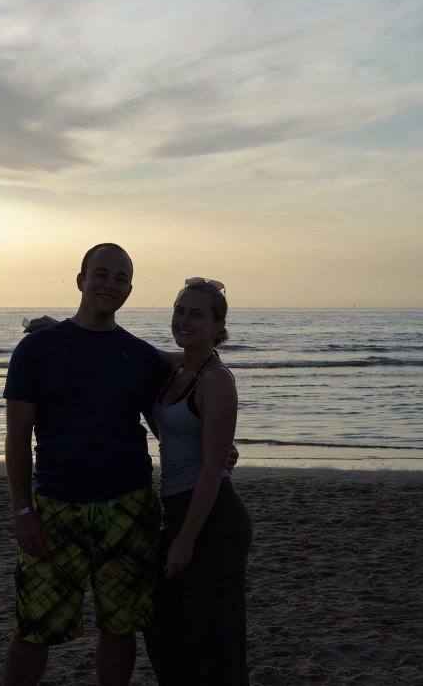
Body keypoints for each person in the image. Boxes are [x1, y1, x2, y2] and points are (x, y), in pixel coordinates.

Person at [2, 243, 169, 686]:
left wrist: (216, 449)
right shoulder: (37, 349)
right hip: (56, 507)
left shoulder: (141, 356)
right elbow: (17, 438)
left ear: (129, 289)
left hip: (129, 507)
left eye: (120, 278)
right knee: (34, 627)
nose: (110, 284)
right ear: (81, 280)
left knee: (120, 625)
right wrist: (22, 510)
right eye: (101, 274)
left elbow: (167, 425)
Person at [146, 277, 252, 685]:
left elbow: (212, 466)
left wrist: (185, 539)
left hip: (212, 518)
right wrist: (63, 329)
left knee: (214, 639)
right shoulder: (176, 368)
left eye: (196, 314)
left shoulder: (216, 379)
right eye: (179, 311)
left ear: (217, 326)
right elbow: (123, 350)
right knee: (166, 628)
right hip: (177, 511)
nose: (184, 320)